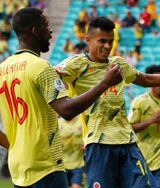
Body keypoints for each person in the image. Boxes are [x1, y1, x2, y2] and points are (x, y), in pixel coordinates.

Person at [57, 16, 160, 188]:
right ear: (88, 40)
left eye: (110, 41)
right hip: (99, 143)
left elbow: (147, 79)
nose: (107, 46)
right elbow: (53, 77)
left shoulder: (118, 64)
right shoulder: (75, 65)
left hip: (127, 141)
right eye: (102, 41)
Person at [0, 8, 123, 188]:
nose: (50, 31)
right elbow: (66, 110)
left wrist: (15, 147)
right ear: (35, 31)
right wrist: (104, 83)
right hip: (45, 167)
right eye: (46, 26)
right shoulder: (41, 67)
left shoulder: (3, 69)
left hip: (19, 168)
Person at [129, 65, 160, 187]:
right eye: (157, 81)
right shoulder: (139, 102)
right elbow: (129, 128)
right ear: (151, 82)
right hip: (144, 156)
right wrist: (150, 121)